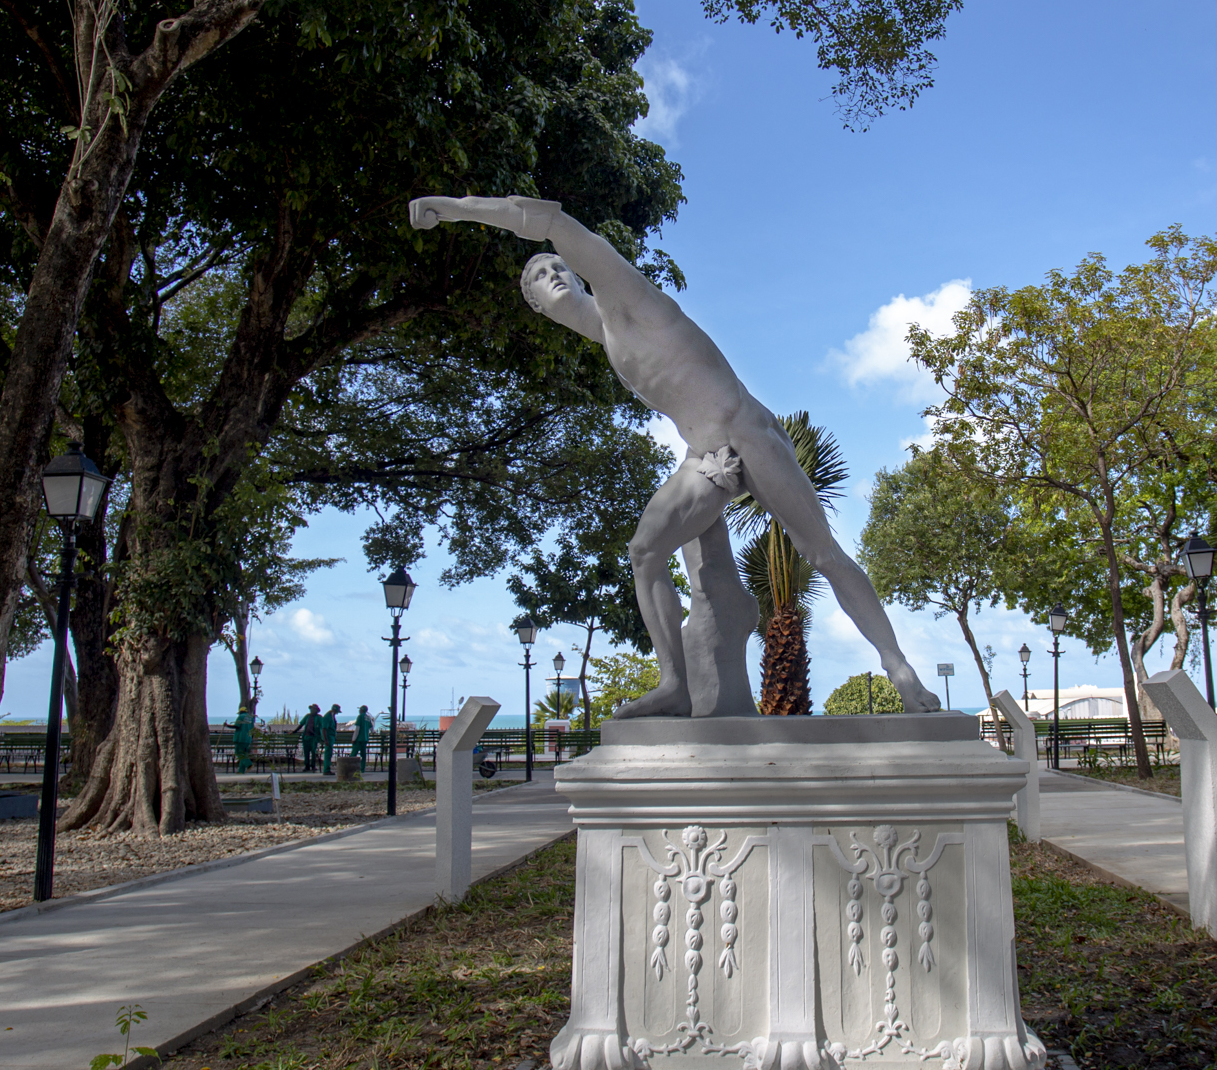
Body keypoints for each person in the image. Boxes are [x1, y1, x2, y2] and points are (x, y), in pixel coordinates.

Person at [410, 193, 940, 717]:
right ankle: (675, 685)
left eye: (555, 266)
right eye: (536, 280)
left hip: (748, 431)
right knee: (644, 551)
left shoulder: (625, 299)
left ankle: (898, 668)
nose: (550, 273)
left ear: (575, 275)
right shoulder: (611, 344)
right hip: (706, 456)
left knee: (822, 553)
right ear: (540, 310)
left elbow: (551, 220)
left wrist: (454, 209)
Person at [297, 703, 325, 772]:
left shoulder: (319, 717)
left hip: (314, 737)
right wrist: (294, 731)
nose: (312, 710)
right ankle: (306, 766)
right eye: (311, 709)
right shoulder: (307, 716)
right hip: (306, 737)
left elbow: (323, 726)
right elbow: (301, 724)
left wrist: (322, 736)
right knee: (306, 752)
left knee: (313, 751)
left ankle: (313, 765)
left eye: (313, 709)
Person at [230, 701, 256, 774]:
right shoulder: (250, 718)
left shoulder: (240, 717)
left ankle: (249, 764)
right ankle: (241, 771)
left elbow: (236, 726)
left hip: (240, 738)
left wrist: (227, 725)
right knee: (244, 754)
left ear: (240, 712)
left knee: (239, 753)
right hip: (248, 739)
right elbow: (252, 729)